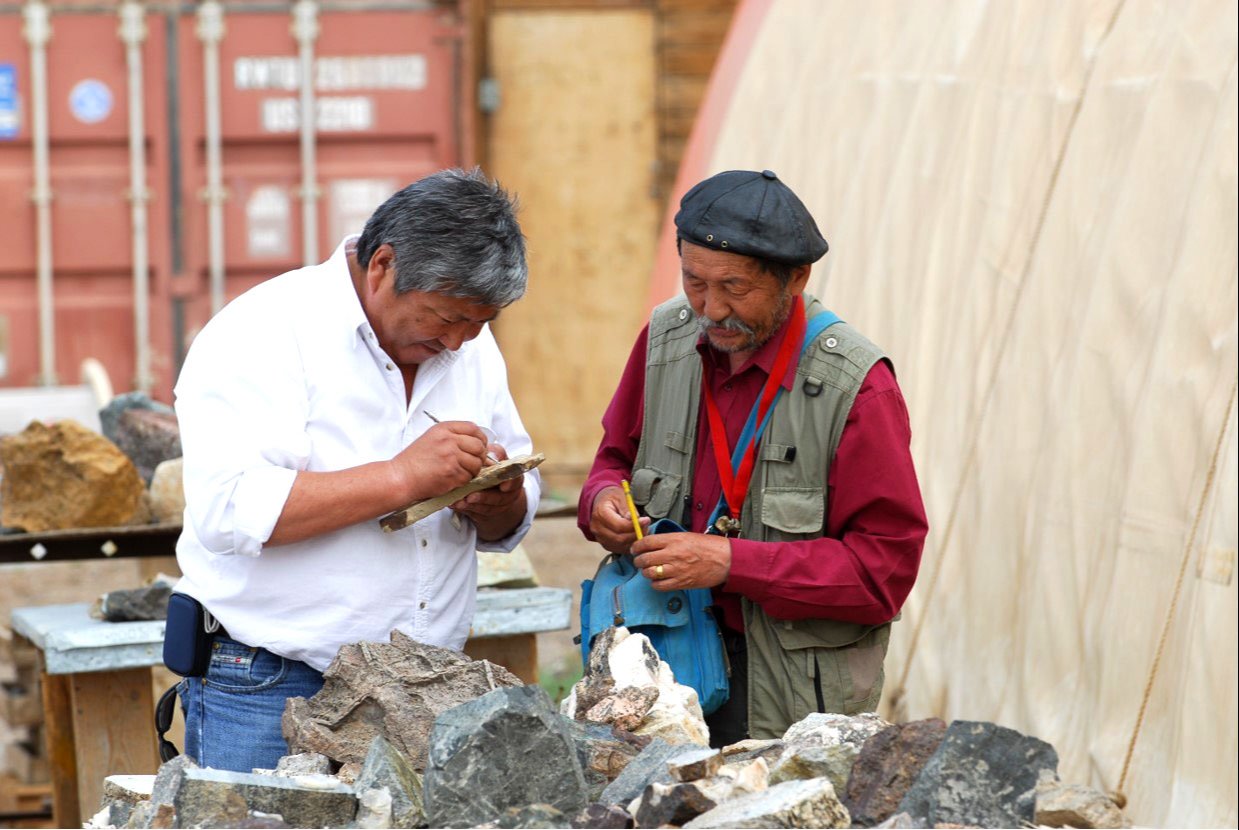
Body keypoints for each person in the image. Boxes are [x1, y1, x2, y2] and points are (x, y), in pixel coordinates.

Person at [171, 167, 539, 771]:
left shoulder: (468, 343)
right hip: (275, 688)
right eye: (445, 319)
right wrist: (402, 478)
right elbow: (229, 511)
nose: (460, 343)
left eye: (480, 325)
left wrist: (500, 501)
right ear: (383, 266)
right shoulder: (263, 331)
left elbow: (511, 507)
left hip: (428, 689)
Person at [579, 169, 927, 746]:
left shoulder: (857, 387)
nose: (710, 309)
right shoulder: (665, 339)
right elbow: (613, 457)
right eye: (694, 283)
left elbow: (882, 573)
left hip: (789, 697)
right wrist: (602, 500)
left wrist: (731, 563)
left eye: (735, 288)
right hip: (664, 666)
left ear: (796, 277)